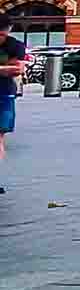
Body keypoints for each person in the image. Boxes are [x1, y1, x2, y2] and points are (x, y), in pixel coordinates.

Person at [0, 17, 25, 194]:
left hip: (4, 93)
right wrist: (3, 68)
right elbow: (10, 69)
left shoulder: (14, 45)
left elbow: (17, 69)